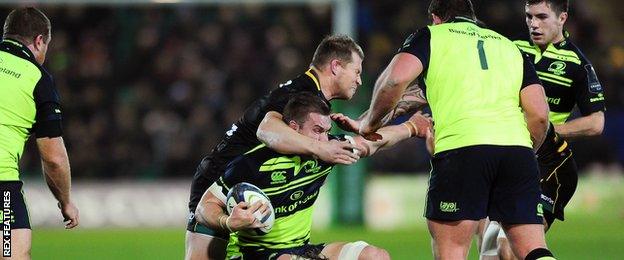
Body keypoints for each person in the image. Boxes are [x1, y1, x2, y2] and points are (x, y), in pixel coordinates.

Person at [359, 0, 557, 259]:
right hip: (517, 152)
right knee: (533, 249)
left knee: (452, 250)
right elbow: (540, 114)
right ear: (472, 16)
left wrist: (370, 123)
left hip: (462, 150)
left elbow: (394, 80)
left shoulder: (431, 35)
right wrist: (522, 150)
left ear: (435, 18)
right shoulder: (509, 46)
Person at [185, 35, 366, 260]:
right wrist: (320, 149)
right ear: (336, 66)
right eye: (357, 71)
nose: (359, 80)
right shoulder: (302, 94)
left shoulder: (310, 95)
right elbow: (266, 128)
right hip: (220, 179)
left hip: (246, 183)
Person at [195, 92, 427, 259]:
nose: (324, 139)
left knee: (376, 256)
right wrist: (228, 221)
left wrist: (411, 128)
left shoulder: (326, 152)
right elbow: (205, 206)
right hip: (253, 254)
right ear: (293, 128)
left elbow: (372, 143)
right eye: (317, 131)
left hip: (299, 249)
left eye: (327, 132)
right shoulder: (251, 163)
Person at [480, 1, 606, 259]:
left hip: (550, 167)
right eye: (529, 17)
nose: (534, 24)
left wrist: (544, 128)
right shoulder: (513, 49)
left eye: (542, 17)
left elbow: (596, 123)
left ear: (562, 18)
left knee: (510, 249)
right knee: (490, 251)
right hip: (509, 159)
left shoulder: (576, 63)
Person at [0, 7, 79, 259]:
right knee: (13, 253)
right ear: (39, 41)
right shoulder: (38, 79)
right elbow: (54, 158)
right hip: (2, 184)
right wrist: (64, 201)